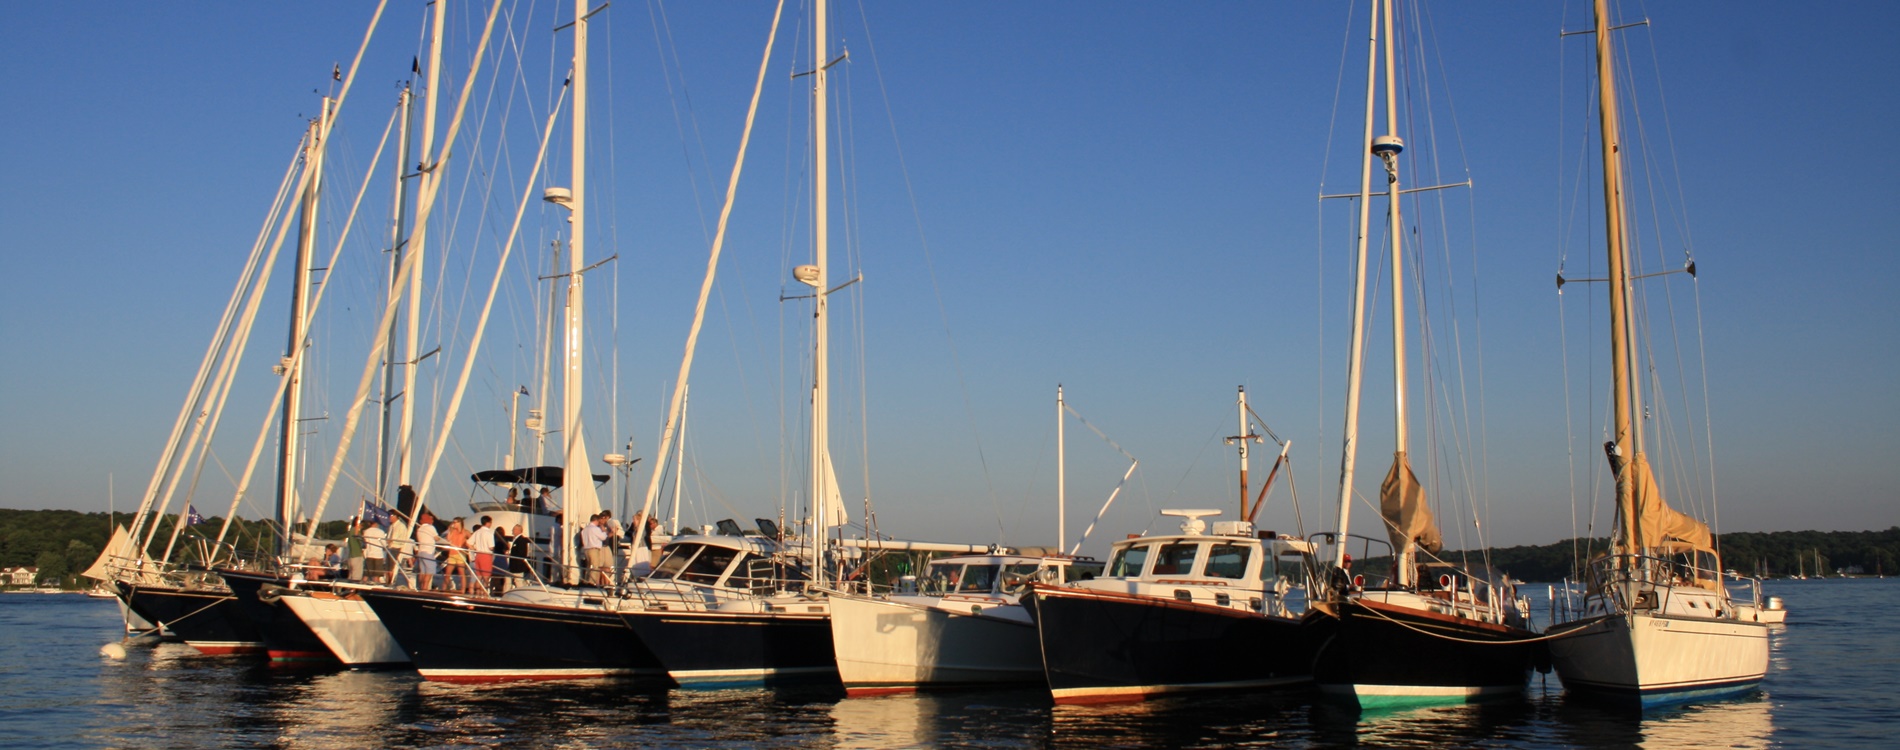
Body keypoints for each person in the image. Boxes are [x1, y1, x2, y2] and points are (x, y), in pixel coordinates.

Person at [468, 516, 496, 596]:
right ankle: (485, 594)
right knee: (486, 577)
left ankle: (477, 594)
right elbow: (491, 547)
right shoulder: (489, 533)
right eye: (490, 522)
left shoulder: (477, 532)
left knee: (479, 576)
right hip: (486, 555)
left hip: (478, 555)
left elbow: (469, 543)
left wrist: (474, 549)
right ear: (488, 523)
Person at [580, 512, 609, 587]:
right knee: (595, 567)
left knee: (588, 567)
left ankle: (586, 581)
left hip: (586, 549)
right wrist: (604, 531)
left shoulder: (584, 530)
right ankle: (592, 583)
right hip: (594, 549)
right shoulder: (595, 529)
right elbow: (603, 537)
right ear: (596, 520)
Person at [444, 518, 472, 594]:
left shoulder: (465, 532)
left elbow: (471, 539)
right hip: (452, 554)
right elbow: (448, 539)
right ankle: (444, 589)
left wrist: (466, 545)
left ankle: (463, 590)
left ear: (460, 523)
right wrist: (450, 530)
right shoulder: (452, 531)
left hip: (460, 554)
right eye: (453, 522)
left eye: (455, 522)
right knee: (447, 573)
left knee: (461, 573)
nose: (454, 524)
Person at [413, 512, 440, 591]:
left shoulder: (419, 529)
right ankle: (425, 588)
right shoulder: (430, 527)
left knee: (423, 571)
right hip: (428, 552)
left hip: (421, 552)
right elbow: (437, 538)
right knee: (430, 570)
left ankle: (421, 587)